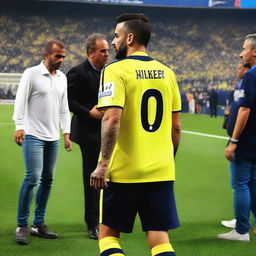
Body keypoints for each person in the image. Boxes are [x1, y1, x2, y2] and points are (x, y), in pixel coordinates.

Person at [90, 13, 181, 256]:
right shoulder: (168, 73)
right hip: (161, 171)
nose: (112, 42)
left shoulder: (115, 70)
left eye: (116, 36)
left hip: (124, 171)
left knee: (108, 237)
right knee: (160, 240)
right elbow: (176, 128)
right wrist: (166, 159)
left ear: (130, 38)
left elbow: (111, 118)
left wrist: (103, 164)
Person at [13, 40, 72, 245]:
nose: (61, 60)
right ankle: (21, 225)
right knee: (32, 178)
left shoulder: (62, 78)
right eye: (58, 56)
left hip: (52, 137)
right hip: (33, 135)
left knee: (48, 179)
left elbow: (63, 108)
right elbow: (20, 100)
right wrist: (19, 126)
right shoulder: (31, 74)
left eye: (63, 56)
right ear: (46, 55)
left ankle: (38, 224)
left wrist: (66, 132)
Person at [66, 33, 109, 239]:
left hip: (107, 131)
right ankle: (92, 223)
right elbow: (69, 101)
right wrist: (88, 113)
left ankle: (105, 218)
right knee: (92, 177)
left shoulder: (110, 72)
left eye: (108, 50)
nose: (107, 54)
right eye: (103, 51)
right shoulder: (77, 73)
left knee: (109, 176)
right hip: (89, 132)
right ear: (91, 53)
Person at [217, 34, 256, 241]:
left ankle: (241, 230)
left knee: (240, 184)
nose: (241, 53)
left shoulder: (251, 76)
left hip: (246, 142)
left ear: (254, 51)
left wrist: (233, 141)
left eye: (244, 48)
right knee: (253, 184)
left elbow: (244, 111)